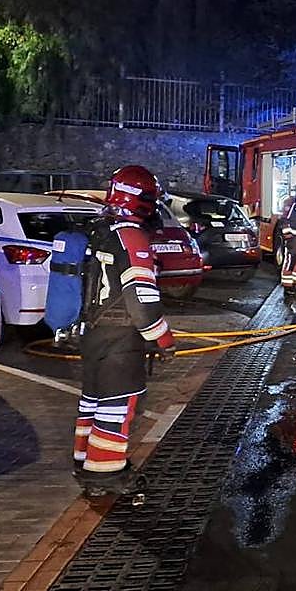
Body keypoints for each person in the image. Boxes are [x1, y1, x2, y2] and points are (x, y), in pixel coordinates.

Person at [72, 165, 175, 496]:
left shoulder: (101, 229)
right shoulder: (131, 235)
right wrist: (162, 339)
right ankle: (105, 473)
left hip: (94, 332)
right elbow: (141, 297)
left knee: (93, 401)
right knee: (117, 406)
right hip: (121, 339)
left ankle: (85, 460)